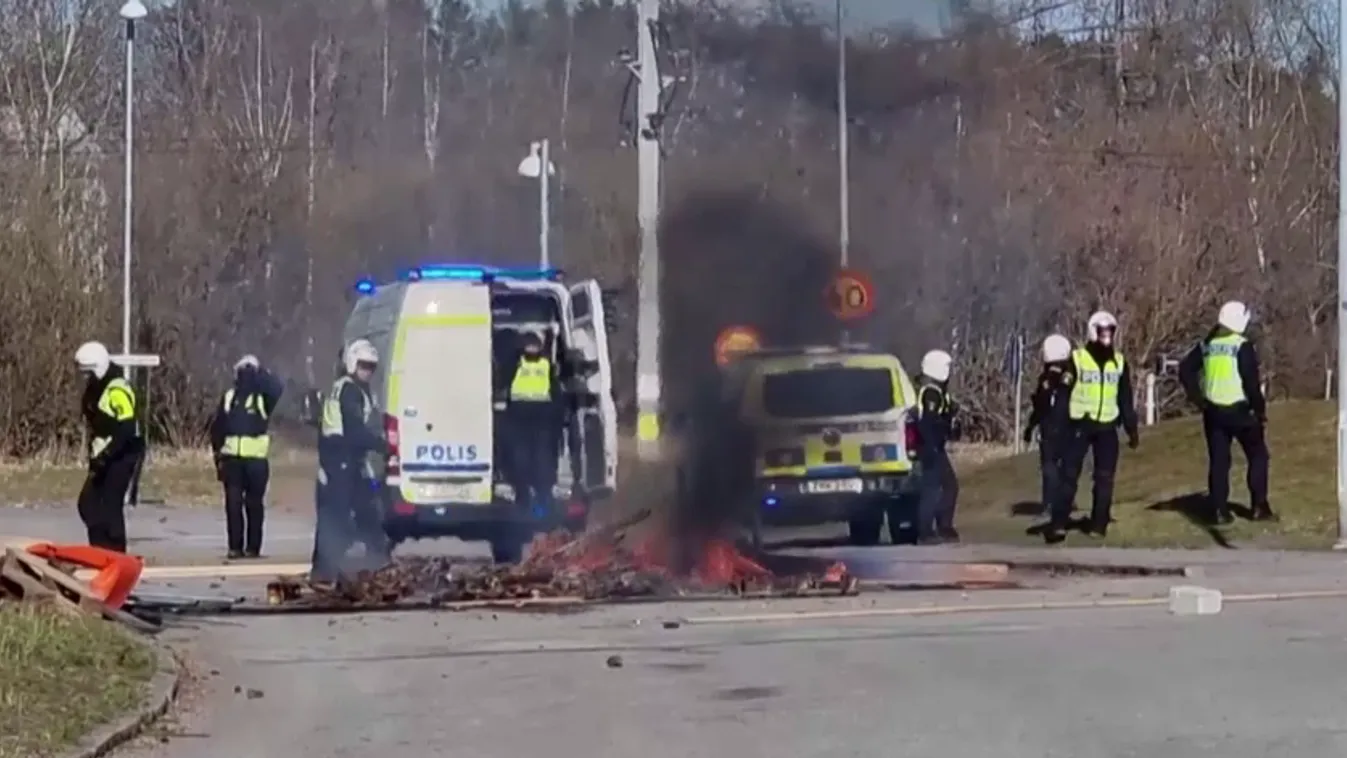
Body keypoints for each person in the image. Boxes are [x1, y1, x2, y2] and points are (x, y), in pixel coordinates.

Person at [1178, 300, 1275, 524]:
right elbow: (1251, 383)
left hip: (1213, 411)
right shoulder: (1241, 345)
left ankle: (1219, 510)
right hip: (1240, 410)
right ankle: (1259, 507)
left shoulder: (1207, 344)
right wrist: (1259, 411)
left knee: (1219, 462)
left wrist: (1199, 399)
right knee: (1258, 456)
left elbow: (1185, 369)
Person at [312, 339, 389, 583]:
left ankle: (376, 563)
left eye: (371, 367)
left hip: (349, 462)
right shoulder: (349, 391)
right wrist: (384, 446)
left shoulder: (355, 389)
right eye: (364, 366)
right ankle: (326, 571)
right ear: (352, 363)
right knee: (338, 519)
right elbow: (355, 431)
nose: (368, 371)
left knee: (364, 514)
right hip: (341, 464)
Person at [1059, 311, 1140, 537]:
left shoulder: (1120, 362)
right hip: (1080, 424)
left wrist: (1131, 429)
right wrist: (1061, 425)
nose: (1107, 336)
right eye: (1102, 331)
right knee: (1069, 474)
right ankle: (1058, 522)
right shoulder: (1077, 359)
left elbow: (1125, 398)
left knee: (1105, 477)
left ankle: (1099, 524)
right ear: (1093, 331)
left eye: (1110, 331)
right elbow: (1064, 394)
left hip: (1107, 427)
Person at [209, 355, 283, 559]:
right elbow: (217, 428)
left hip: (256, 461)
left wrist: (262, 373)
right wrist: (218, 457)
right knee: (233, 504)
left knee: (254, 504)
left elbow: (278, 387)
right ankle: (235, 547)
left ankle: (253, 547)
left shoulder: (263, 398)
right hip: (232, 459)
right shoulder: (230, 397)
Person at [74, 341, 143, 553]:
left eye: (89, 372)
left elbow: (127, 428)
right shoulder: (95, 388)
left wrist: (107, 454)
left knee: (110, 507)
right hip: (103, 455)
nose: (86, 378)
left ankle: (115, 552)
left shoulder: (117, 390)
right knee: (87, 503)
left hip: (122, 454)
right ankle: (99, 549)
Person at [499, 330, 563, 526]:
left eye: (534, 345)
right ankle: (524, 499)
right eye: (528, 345)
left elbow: (555, 391)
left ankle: (540, 501)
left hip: (540, 421)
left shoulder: (546, 365)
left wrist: (557, 417)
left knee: (541, 463)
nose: (531, 349)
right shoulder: (515, 362)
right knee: (520, 462)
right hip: (519, 420)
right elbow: (503, 376)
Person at [1023, 334, 1077, 542]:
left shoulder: (1047, 378)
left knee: (1050, 469)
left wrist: (1031, 426)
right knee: (1061, 471)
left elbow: (1040, 405)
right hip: (1067, 427)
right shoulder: (1071, 375)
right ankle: (1058, 505)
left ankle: (1051, 505)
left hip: (1052, 428)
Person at [915, 349, 959, 544]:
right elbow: (929, 422)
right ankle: (927, 531)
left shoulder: (939, 393)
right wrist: (932, 446)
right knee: (933, 488)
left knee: (948, 486)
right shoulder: (931, 393)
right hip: (931, 447)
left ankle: (944, 527)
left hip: (935, 446)